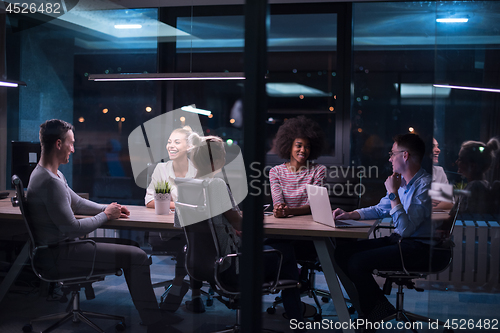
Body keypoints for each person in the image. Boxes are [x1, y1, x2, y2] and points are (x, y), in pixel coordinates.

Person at [27, 119, 182, 333]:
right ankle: (155, 324)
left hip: (61, 249)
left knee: (129, 246)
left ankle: (152, 316)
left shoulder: (51, 174)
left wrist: (108, 208)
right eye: (71, 143)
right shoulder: (49, 182)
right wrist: (106, 216)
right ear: (58, 144)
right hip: (59, 255)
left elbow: (78, 203)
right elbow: (72, 228)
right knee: (136, 256)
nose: (73, 149)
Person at [184, 133, 305, 327]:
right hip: (232, 266)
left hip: (202, 264)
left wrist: (230, 224)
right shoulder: (216, 185)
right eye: (223, 154)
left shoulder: (185, 186)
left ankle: (295, 317)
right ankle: (297, 321)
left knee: (274, 246)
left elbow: (204, 223)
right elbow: (239, 223)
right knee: (286, 251)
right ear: (217, 159)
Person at [333, 133, 433, 331]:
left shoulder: (426, 186)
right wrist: (349, 214)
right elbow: (379, 209)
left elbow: (405, 229)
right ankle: (377, 307)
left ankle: (372, 311)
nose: (389, 158)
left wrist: (393, 193)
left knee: (357, 262)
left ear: (405, 155)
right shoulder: (402, 181)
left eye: (392, 153)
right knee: (342, 253)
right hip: (400, 241)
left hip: (419, 247)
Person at [144, 126, 205, 313]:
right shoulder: (161, 170)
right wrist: (179, 204)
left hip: (191, 229)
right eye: (169, 141)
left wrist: (171, 201)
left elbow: (203, 203)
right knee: (193, 243)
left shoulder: (198, 170)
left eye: (176, 142)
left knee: (192, 241)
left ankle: (178, 287)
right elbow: (149, 201)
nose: (170, 145)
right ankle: (193, 295)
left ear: (189, 147)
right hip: (165, 231)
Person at [269, 116, 326, 218]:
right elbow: (278, 201)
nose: (303, 150)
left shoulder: (319, 170)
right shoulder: (275, 171)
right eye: (299, 146)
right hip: (285, 222)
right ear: (288, 146)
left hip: (310, 223)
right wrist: (279, 208)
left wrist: (289, 211)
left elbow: (314, 205)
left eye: (307, 146)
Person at [454, 139, 499, 215]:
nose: (456, 162)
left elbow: (458, 217)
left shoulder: (474, 187)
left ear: (472, 166)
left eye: (460, 159)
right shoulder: (484, 185)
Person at [432, 138, 453, 210]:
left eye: (437, 146)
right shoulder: (405, 172)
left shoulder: (439, 171)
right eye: (432, 146)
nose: (438, 150)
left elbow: (449, 203)